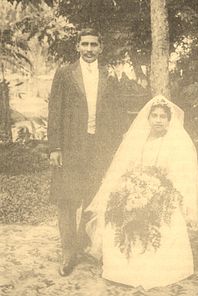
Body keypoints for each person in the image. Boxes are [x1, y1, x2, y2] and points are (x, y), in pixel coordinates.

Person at [86, 95, 198, 291]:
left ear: (169, 120)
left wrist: (158, 190)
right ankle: (122, 268)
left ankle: (158, 268)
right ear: (148, 118)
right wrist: (128, 186)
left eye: (163, 116)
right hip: (137, 187)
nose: (158, 120)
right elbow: (125, 167)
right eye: (155, 116)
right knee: (116, 208)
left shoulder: (177, 142)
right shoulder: (137, 139)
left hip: (165, 192)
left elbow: (180, 177)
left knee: (160, 213)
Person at [47, 28, 127, 276]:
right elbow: (55, 111)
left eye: (94, 45)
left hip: (98, 148)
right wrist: (55, 147)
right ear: (77, 47)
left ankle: (83, 243)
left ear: (100, 48)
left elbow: (115, 113)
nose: (89, 49)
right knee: (67, 199)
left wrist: (116, 147)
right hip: (70, 148)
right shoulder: (65, 73)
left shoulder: (107, 75)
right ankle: (68, 252)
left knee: (94, 199)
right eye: (85, 44)